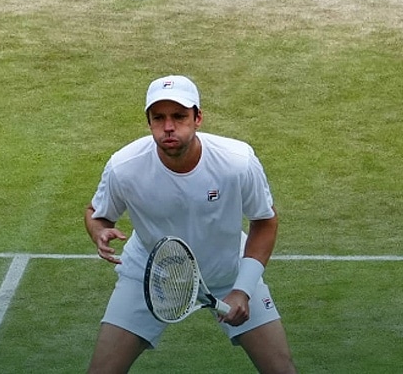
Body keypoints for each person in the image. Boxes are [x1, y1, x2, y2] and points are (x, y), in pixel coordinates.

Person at [83, 75, 296, 373]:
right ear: (149, 123)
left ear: (198, 118)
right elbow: (97, 211)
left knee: (281, 369)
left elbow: (265, 220)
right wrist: (99, 231)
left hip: (229, 274)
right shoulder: (124, 166)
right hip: (149, 276)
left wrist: (243, 289)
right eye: (159, 118)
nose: (168, 127)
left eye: (179, 116)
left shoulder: (237, 162)